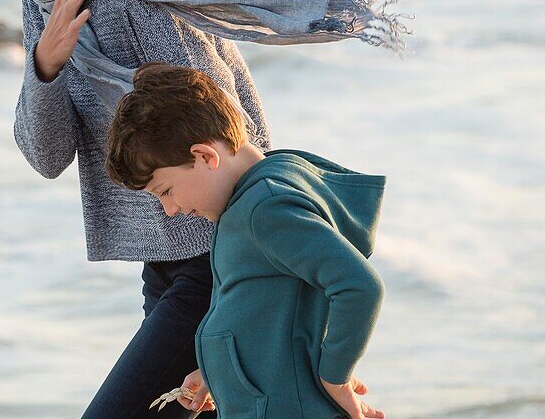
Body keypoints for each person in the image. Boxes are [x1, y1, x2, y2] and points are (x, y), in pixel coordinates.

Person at [0, 0, 406, 418]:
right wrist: (46, 64)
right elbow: (45, 155)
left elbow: (225, 130)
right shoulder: (45, 1)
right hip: (163, 259)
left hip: (217, 256)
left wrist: (246, 295)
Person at [106, 62, 387, 419]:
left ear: (205, 156)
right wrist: (216, 373)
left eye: (166, 191)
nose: (170, 209)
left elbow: (360, 285)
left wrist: (335, 376)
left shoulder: (266, 209)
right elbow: (264, 313)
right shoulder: (252, 197)